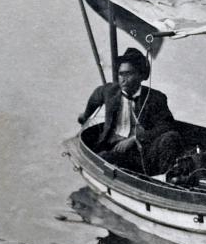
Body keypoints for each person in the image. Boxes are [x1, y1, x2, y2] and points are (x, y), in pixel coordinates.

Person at [78, 47, 183, 175]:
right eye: (121, 74)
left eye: (128, 74)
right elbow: (96, 96)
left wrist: (135, 139)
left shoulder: (155, 98)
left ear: (140, 75)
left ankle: (163, 182)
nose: (123, 79)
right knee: (104, 159)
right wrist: (85, 116)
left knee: (171, 137)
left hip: (143, 153)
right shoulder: (110, 91)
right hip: (115, 150)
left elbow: (166, 126)